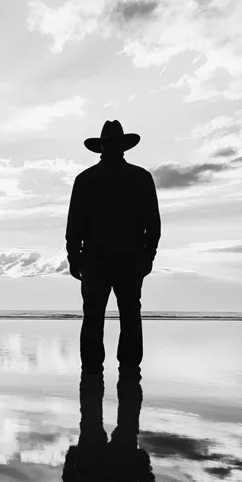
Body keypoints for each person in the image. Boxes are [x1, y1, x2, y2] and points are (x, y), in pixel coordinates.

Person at [65, 120, 161, 380]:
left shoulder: (86, 179)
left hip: (99, 259)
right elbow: (153, 224)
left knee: (95, 315)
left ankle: (96, 372)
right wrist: (147, 256)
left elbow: (74, 225)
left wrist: (74, 258)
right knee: (128, 314)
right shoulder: (139, 177)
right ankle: (125, 373)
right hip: (125, 258)